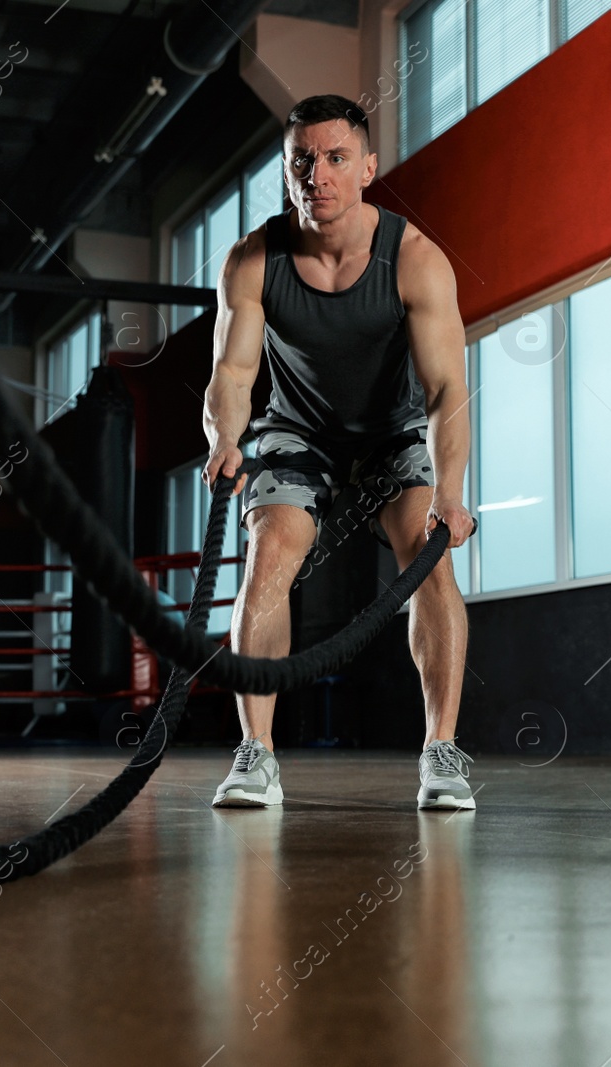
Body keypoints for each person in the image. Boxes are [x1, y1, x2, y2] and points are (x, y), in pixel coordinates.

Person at [200, 94, 476, 811]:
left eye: (335, 158)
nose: (317, 175)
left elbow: (447, 389)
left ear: (367, 169)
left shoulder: (416, 260)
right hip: (298, 429)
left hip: (389, 430)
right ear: (286, 171)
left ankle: (441, 751)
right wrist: (224, 440)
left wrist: (451, 490)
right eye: (302, 161)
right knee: (270, 553)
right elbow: (233, 375)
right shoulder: (254, 260)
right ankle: (256, 754)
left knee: (428, 551)